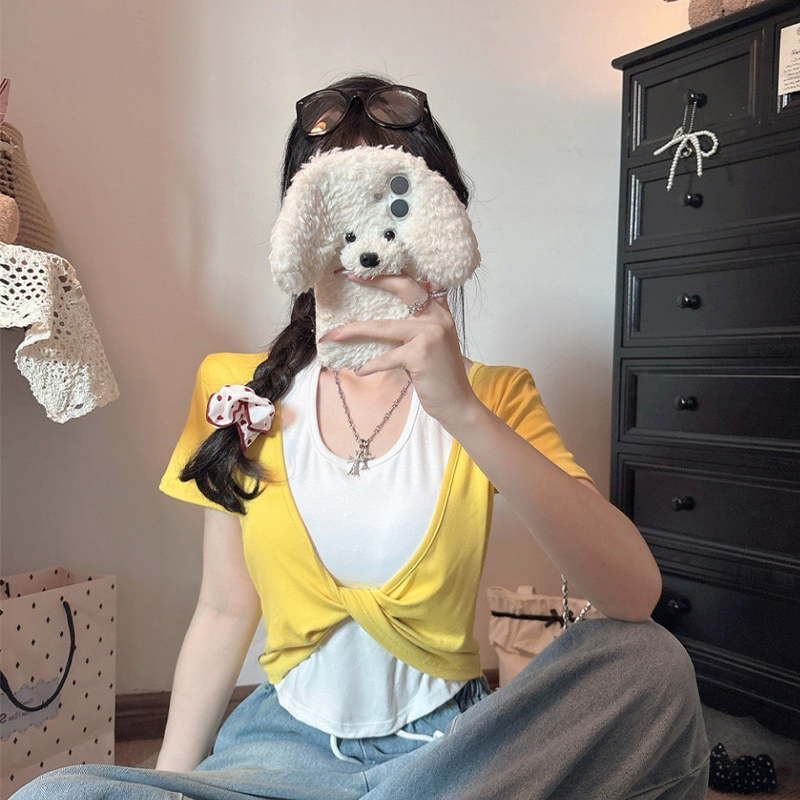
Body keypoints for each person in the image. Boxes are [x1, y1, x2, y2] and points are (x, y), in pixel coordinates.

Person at [11, 74, 711, 800]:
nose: (369, 239)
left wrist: (460, 410)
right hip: (281, 749)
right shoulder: (236, 388)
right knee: (60, 795)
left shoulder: (495, 395)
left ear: (444, 222)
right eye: (337, 204)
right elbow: (223, 608)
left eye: (397, 201)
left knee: (648, 663)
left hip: (451, 756)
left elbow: (633, 594)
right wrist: (166, 787)